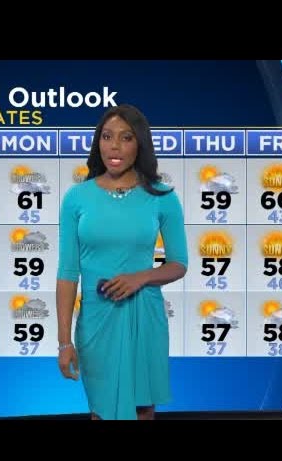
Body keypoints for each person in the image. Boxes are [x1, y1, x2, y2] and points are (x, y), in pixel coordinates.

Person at [56, 104, 189, 420]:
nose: (114, 146)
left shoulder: (162, 197)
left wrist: (140, 277)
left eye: (126, 138)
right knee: (101, 411)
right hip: (96, 320)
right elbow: (67, 273)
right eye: (107, 137)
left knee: (143, 410)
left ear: (140, 144)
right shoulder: (77, 198)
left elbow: (179, 263)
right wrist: (63, 343)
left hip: (144, 317)